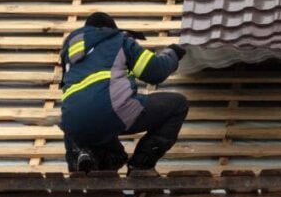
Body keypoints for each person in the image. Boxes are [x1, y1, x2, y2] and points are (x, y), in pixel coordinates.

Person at [59, 12, 189, 175]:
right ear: (110, 29)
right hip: (113, 112)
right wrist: (173, 53)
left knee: (115, 155)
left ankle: (84, 155)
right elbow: (155, 71)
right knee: (178, 104)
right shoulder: (118, 40)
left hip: (73, 126)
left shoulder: (69, 54)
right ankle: (141, 165)